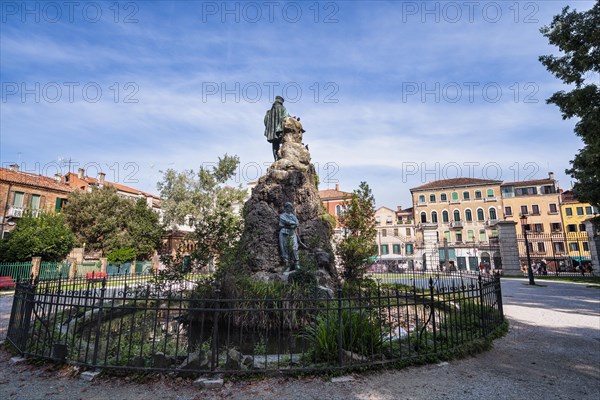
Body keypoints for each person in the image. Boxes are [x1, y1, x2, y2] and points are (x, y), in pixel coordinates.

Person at [264, 96, 290, 161]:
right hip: (280, 131)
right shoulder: (282, 108)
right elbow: (286, 117)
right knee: (286, 143)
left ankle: (276, 159)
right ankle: (283, 158)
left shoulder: (269, 112)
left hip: (272, 133)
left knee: (275, 144)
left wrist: (270, 128)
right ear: (281, 102)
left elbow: (265, 121)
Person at [279, 202, 300, 271]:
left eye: (291, 207)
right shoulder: (282, 215)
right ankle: (287, 265)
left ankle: (297, 263)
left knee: (294, 247)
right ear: (285, 208)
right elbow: (286, 221)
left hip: (292, 232)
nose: (289, 209)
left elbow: (297, 223)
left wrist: (293, 224)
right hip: (284, 232)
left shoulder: (293, 216)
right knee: (284, 248)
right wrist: (292, 223)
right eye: (288, 207)